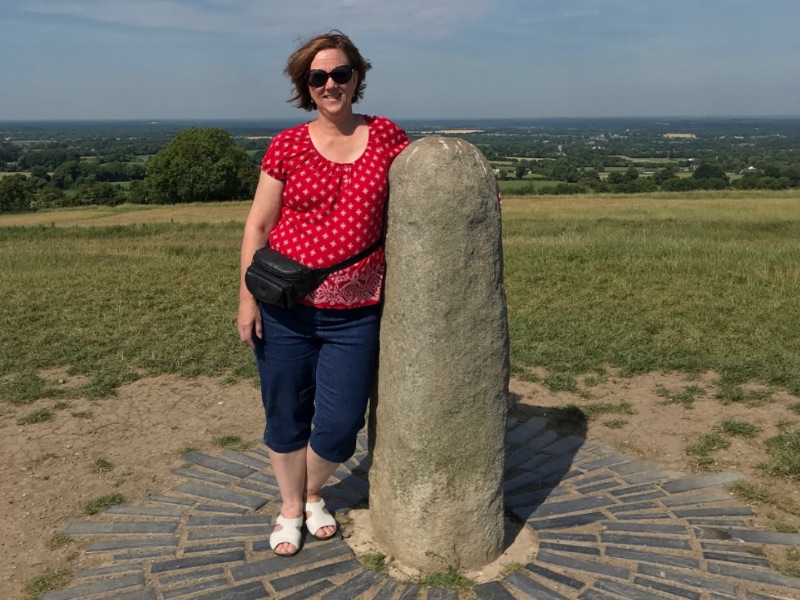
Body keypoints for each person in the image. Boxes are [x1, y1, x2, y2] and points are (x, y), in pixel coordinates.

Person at [237, 31, 409, 557]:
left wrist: (480, 189)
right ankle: (295, 506)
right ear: (305, 86)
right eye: (318, 77)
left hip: (356, 312)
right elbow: (258, 226)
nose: (330, 84)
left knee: (339, 423)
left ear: (357, 77)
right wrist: (247, 300)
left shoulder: (386, 136)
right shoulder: (287, 145)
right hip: (284, 307)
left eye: (340, 73)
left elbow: (429, 181)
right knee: (285, 413)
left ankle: (310, 490)